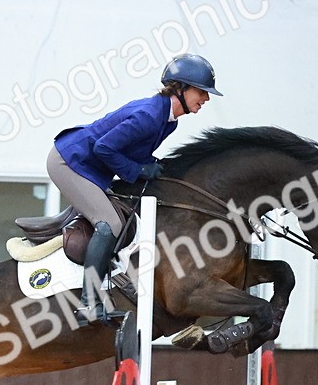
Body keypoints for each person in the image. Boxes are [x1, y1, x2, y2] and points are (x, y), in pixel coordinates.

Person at [47, 53, 221, 325]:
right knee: (110, 224)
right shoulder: (149, 116)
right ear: (181, 88)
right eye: (202, 91)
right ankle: (88, 305)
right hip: (69, 162)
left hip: (89, 165)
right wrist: (138, 170)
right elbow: (103, 147)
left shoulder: (167, 121)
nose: (206, 99)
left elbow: (130, 151)